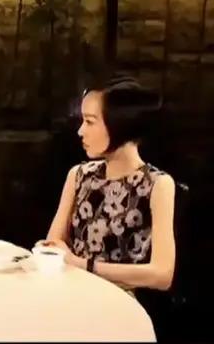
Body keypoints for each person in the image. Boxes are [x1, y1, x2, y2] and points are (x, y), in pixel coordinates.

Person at [38, 75, 176, 292]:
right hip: (71, 292)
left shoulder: (158, 185)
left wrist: (82, 265)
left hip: (120, 301)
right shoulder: (79, 175)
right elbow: (53, 247)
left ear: (119, 125)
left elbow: (162, 275)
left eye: (90, 122)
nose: (80, 131)